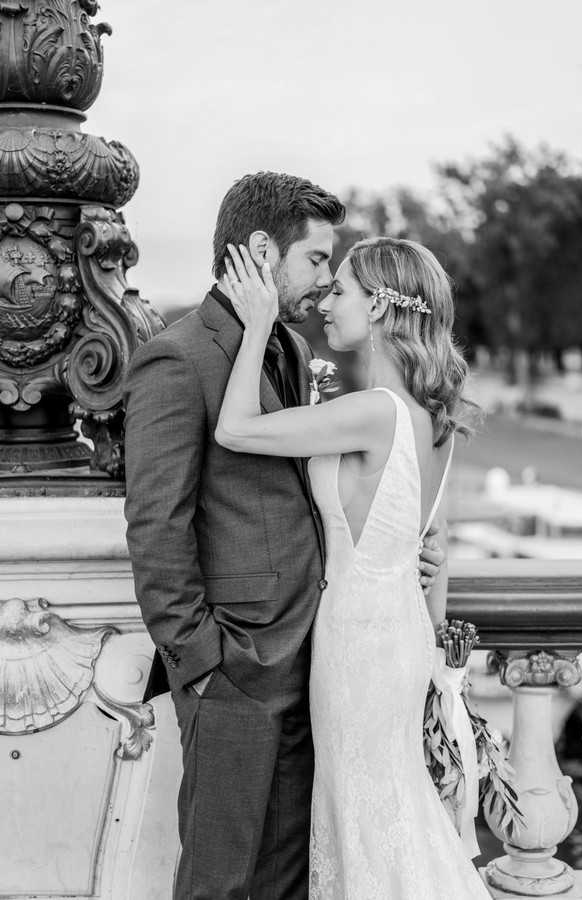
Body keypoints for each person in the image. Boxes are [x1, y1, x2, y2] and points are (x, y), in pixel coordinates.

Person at [123, 172, 444, 900]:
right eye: (317, 260)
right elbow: (156, 524)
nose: (326, 281)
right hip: (234, 670)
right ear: (264, 250)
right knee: (220, 882)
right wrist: (201, 661)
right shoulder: (180, 357)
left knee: (287, 883)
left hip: (318, 664)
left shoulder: (290, 353)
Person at [216, 236, 489, 899]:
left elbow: (235, 430)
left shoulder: (373, 413)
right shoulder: (434, 417)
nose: (326, 304)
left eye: (341, 291)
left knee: (365, 813)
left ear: (385, 308)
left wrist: (256, 327)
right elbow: (435, 542)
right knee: (385, 807)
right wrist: (434, 625)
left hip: (359, 643)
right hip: (396, 632)